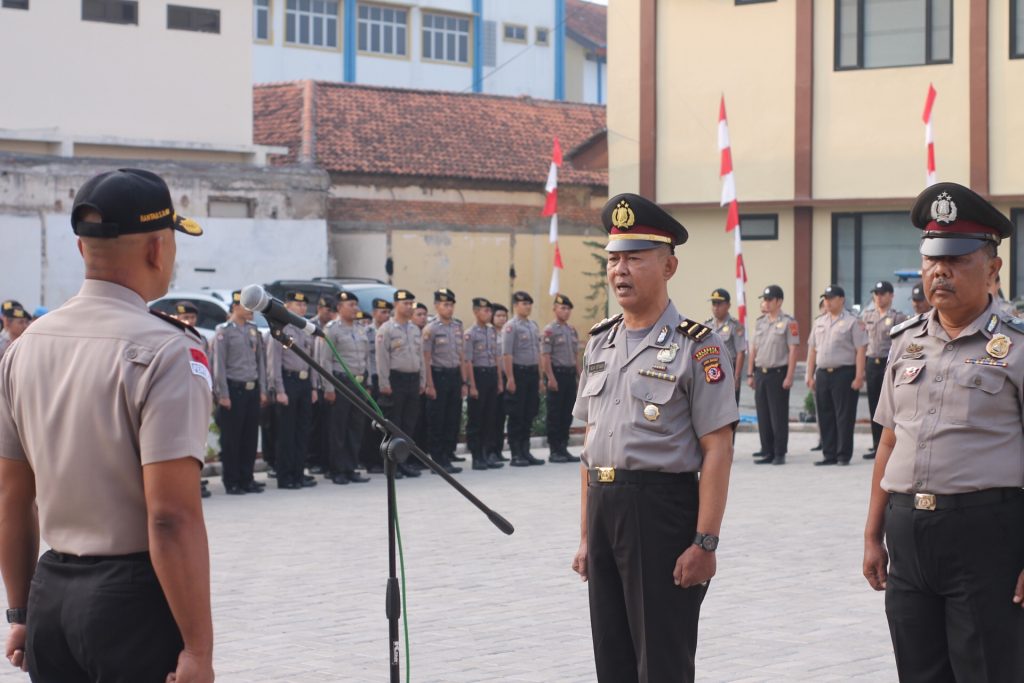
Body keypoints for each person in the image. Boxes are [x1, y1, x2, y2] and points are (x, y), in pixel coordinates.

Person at [0, 168, 214, 682]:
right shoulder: (167, 350)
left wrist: (23, 612)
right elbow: (170, 518)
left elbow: (11, 497)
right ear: (158, 249)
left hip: (52, 592)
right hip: (132, 599)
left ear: (81, 249)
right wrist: (198, 651)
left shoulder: (25, 347)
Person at [571, 193, 738, 683]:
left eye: (635, 258)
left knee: (661, 661)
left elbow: (718, 449)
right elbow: (588, 450)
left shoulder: (698, 345)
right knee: (613, 659)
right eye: (614, 259)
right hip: (605, 507)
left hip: (661, 513)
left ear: (669, 266)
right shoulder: (600, 341)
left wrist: (705, 542)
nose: (620, 270)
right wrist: (585, 535)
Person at [862, 182, 1024, 681]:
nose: (939, 272)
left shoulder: (1016, 347)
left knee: (988, 670)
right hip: (909, 534)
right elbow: (889, 439)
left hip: (987, 536)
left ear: (993, 268)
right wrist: (872, 534)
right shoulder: (906, 342)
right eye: (933, 259)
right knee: (919, 670)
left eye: (955, 260)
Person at [211, 290, 268, 495]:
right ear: (235, 307)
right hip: (233, 391)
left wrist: (262, 388)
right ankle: (232, 480)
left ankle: (247, 478)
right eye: (247, 307)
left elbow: (260, 362)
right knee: (231, 439)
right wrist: (223, 394)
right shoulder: (223, 332)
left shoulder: (253, 330)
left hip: (252, 390)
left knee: (250, 437)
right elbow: (219, 366)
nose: (251, 311)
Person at [806, 285, 867, 467]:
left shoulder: (853, 322)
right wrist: (810, 375)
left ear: (841, 299)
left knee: (844, 416)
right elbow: (812, 350)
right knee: (825, 415)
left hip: (844, 373)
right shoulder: (819, 322)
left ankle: (843, 454)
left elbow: (860, 349)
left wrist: (859, 376)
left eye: (831, 298)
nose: (828, 302)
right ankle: (828, 454)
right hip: (823, 373)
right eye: (825, 298)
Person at [267, 291, 320, 490]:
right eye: (298, 304)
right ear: (287, 306)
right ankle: (285, 476)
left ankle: (298, 473)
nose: (302, 308)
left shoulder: (304, 328)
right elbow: (274, 362)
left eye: (304, 305)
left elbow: (311, 361)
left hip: (305, 384)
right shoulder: (280, 328)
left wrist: (314, 386)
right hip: (288, 383)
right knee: (286, 434)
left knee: (302, 432)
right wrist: (279, 389)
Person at [319, 291, 372, 485]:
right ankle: (337, 470)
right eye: (350, 304)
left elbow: (367, 358)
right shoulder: (332, 329)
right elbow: (324, 360)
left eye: (356, 304)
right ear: (340, 307)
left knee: (355, 427)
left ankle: (350, 467)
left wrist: (368, 384)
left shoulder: (360, 329)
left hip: (359, 383)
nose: (355, 308)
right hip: (341, 382)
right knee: (338, 428)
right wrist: (329, 388)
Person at [747, 285, 799, 465]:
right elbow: (753, 349)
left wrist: (789, 376)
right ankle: (767, 450)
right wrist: (750, 373)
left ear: (779, 301)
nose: (766, 303)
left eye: (769, 299)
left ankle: (779, 452)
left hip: (778, 373)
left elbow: (793, 350)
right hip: (761, 372)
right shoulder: (760, 322)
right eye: (765, 299)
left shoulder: (789, 322)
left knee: (778, 415)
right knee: (763, 414)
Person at [375, 289, 424, 478]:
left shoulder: (414, 329)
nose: (409, 306)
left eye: (411, 303)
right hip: (395, 380)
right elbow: (382, 359)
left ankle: (404, 463)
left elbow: (420, 358)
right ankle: (391, 465)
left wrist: (422, 381)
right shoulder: (386, 329)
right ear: (396, 305)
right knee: (394, 425)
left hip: (412, 379)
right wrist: (384, 383)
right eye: (405, 303)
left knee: (408, 424)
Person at [860, 281, 908, 460]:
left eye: (882, 294)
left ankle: (893, 444)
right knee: (874, 406)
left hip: (889, 365)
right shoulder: (866, 316)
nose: (878, 297)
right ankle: (876, 444)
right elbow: (862, 342)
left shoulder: (898, 317)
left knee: (891, 406)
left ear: (891, 296)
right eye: (876, 294)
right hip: (872, 363)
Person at [423, 289, 465, 474]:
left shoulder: (457, 326)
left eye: (451, 304)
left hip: (454, 375)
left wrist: (464, 381)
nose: (449, 308)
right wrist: (429, 384)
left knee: (452, 418)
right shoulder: (431, 328)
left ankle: (448, 455)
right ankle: (438, 459)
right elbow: (426, 358)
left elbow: (461, 355)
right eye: (445, 304)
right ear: (437, 306)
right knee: (437, 419)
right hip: (438, 376)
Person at [503, 290, 544, 467]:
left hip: (532, 373)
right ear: (516, 305)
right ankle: (516, 453)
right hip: (518, 374)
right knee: (517, 415)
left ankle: (526, 451)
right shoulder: (511, 327)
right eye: (524, 304)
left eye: (529, 304)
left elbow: (539, 353)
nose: (527, 307)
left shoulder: (533, 326)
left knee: (529, 413)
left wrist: (541, 378)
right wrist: (510, 378)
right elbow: (507, 354)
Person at [463, 297, 504, 470]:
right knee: (476, 419)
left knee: (490, 418)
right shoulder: (470, 334)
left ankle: (487, 454)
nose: (488, 313)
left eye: (489, 311)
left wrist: (500, 380)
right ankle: (477, 456)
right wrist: (471, 384)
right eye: (484, 310)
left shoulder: (491, 332)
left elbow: (496, 357)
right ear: (475, 312)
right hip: (478, 376)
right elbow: (468, 361)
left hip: (491, 375)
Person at [542, 293, 581, 464]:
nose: (566, 312)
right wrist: (550, 377)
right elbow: (545, 356)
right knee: (555, 414)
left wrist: (581, 377)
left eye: (568, 309)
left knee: (567, 414)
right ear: (555, 309)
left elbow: (575, 356)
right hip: (556, 375)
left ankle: (564, 448)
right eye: (562, 308)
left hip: (569, 375)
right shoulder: (549, 331)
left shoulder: (571, 330)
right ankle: (554, 450)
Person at [362, 298, 393, 474]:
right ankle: (370, 460)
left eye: (388, 312)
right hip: (372, 380)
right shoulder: (366, 331)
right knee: (371, 424)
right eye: (382, 312)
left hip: (386, 380)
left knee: (385, 423)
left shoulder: (389, 331)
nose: (386, 315)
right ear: (374, 313)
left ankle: (384, 459)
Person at [307, 296, 337, 475]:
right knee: (315, 426)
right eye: (327, 309)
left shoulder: (332, 328)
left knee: (327, 425)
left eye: (333, 310)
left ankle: (326, 459)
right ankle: (313, 460)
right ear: (319, 308)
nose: (330, 313)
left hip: (326, 381)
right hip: (314, 380)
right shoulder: (309, 327)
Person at [705, 288, 747, 405]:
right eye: (714, 303)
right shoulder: (706, 325)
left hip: (728, 370)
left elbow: (740, 352)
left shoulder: (735, 325)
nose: (716, 307)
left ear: (728, 305)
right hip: (710, 370)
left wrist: (736, 377)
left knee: (729, 409)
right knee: (711, 407)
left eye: (719, 304)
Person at [491, 302, 511, 462]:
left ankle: (498, 450)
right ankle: (490, 450)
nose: (501, 318)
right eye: (498, 315)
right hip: (492, 377)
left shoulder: (508, 332)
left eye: (504, 315)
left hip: (506, 377)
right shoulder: (489, 333)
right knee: (492, 415)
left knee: (501, 416)